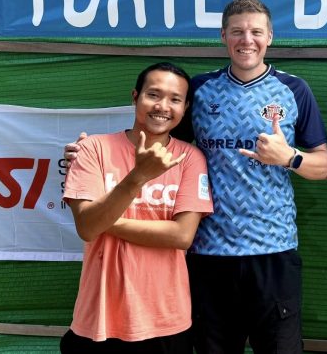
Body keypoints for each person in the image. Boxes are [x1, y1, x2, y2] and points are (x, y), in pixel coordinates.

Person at [65, 0, 327, 354]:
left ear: (269, 36)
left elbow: (324, 166)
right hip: (208, 255)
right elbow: (161, 137)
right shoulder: (202, 90)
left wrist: (289, 158)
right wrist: (84, 157)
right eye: (237, 31)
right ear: (224, 36)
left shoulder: (294, 90)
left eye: (255, 32)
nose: (246, 40)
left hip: (274, 253)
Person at [60, 62, 213, 354]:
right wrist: (138, 176)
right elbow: (87, 229)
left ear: (185, 107)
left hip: (166, 321)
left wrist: (104, 217)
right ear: (135, 97)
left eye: (175, 99)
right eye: (153, 95)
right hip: (98, 319)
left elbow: (181, 235)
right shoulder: (93, 149)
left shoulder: (190, 158)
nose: (163, 106)